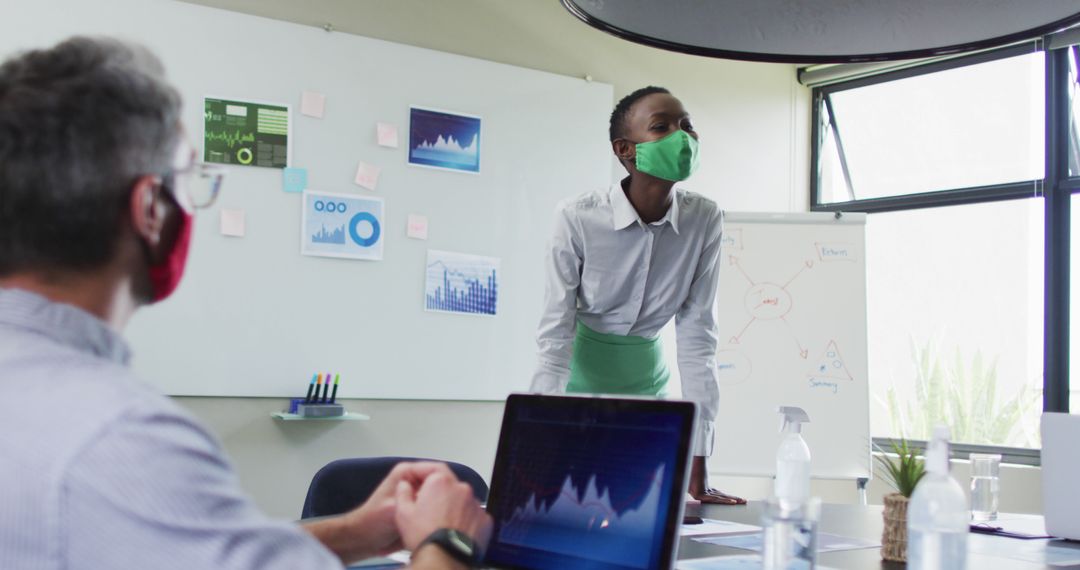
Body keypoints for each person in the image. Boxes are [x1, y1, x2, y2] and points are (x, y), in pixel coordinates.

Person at [0, 36, 490, 569]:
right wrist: (447, 541)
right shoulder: (119, 438)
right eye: (190, 180)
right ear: (149, 209)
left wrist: (354, 533)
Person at [531, 86, 745, 505]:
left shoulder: (705, 218)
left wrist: (698, 470)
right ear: (625, 149)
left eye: (687, 125)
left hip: (649, 384)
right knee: (570, 508)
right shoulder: (577, 216)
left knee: (643, 512)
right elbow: (555, 333)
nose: (682, 137)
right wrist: (540, 437)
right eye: (662, 127)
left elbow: (698, 336)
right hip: (578, 382)